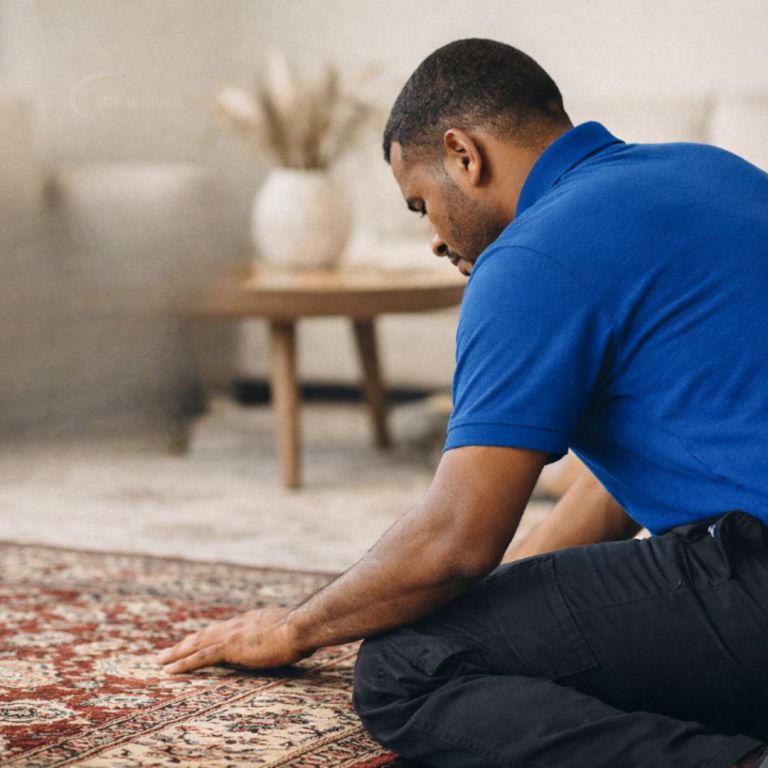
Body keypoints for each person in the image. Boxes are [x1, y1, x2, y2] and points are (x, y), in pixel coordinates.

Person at [158, 38, 768, 767]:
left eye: (421, 203)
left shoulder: (533, 256)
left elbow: (455, 540)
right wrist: (514, 607)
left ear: (462, 155)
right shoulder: (712, 172)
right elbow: (623, 477)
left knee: (406, 664)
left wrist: (294, 628)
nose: (433, 237)